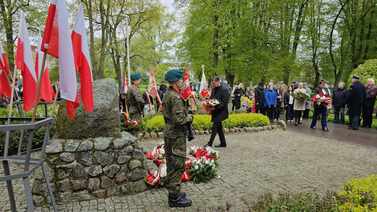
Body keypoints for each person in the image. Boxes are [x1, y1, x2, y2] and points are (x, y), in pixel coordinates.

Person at [162, 69, 193, 208]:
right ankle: (174, 198)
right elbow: (179, 119)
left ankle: (174, 192)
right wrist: (190, 117)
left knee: (171, 163)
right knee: (177, 165)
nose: (183, 83)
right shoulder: (175, 97)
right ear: (175, 82)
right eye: (181, 80)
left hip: (170, 133)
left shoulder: (168, 94)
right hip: (176, 135)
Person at [206, 76, 230, 148]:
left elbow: (225, 102)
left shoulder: (225, 89)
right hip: (215, 111)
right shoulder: (214, 89)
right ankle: (223, 143)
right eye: (213, 83)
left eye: (215, 83)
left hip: (221, 111)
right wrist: (208, 102)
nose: (214, 84)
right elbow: (212, 98)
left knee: (215, 127)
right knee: (219, 128)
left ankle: (209, 143)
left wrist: (215, 107)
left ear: (218, 81)